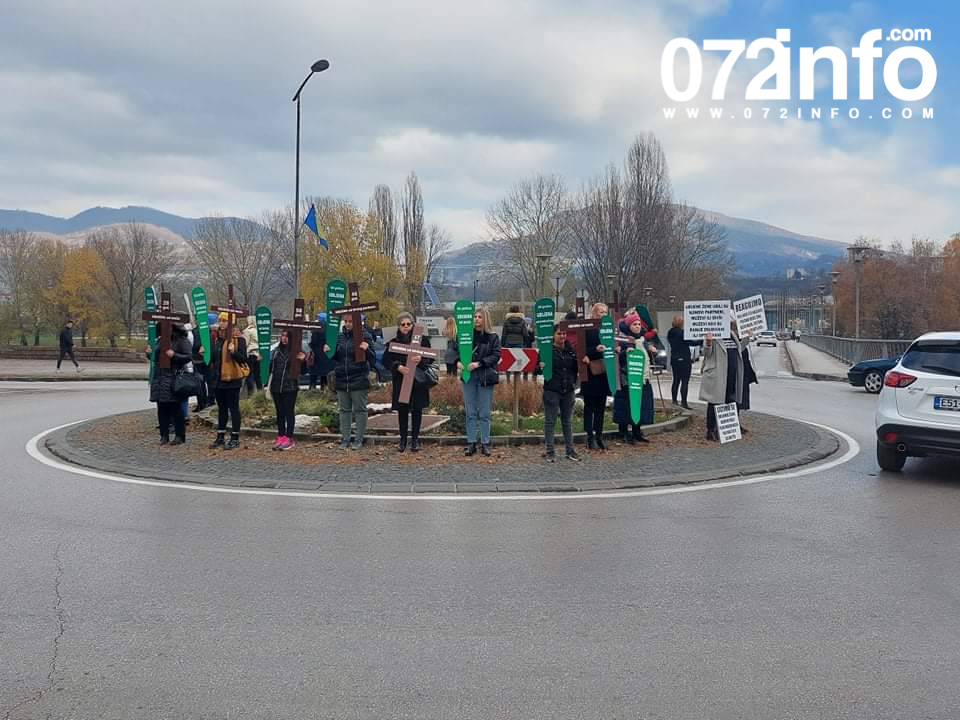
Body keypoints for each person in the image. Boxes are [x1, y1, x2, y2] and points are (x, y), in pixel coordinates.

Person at [385, 312, 435, 453]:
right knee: (402, 411)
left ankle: (415, 440)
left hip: (418, 381)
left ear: (413, 325)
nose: (406, 327)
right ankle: (403, 440)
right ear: (399, 326)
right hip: (401, 381)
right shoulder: (393, 342)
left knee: (417, 410)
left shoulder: (422, 340)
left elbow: (431, 356)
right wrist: (398, 367)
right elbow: (386, 360)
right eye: (403, 324)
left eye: (408, 324)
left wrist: (421, 358)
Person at [326, 313, 376, 450]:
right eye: (346, 321)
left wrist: (368, 350)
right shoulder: (340, 337)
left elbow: (373, 360)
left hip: (358, 378)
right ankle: (345, 438)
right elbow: (337, 357)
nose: (348, 324)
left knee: (360, 410)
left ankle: (359, 439)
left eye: (350, 321)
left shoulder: (365, 336)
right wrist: (329, 352)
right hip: (342, 378)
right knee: (344, 410)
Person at [458, 307, 501, 457]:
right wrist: (458, 362)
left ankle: (485, 443)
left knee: (484, 412)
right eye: (475, 316)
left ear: (485, 319)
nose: (476, 319)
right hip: (468, 377)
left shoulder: (493, 337)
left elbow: (496, 355)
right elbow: (455, 352)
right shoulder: (465, 335)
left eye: (480, 317)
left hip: (485, 377)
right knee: (470, 412)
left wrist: (479, 363)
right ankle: (471, 443)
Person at [699, 321, 750, 441]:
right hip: (718, 374)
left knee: (730, 399)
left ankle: (727, 428)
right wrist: (709, 342)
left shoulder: (732, 335)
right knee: (714, 402)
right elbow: (706, 353)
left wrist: (747, 338)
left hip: (732, 374)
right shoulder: (713, 335)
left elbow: (739, 350)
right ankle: (710, 430)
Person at [613, 312, 656, 444]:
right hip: (628, 378)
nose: (637, 327)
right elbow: (618, 357)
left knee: (640, 405)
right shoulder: (623, 339)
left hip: (642, 378)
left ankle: (637, 432)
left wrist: (652, 352)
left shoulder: (643, 340)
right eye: (634, 324)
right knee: (627, 405)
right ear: (629, 326)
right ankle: (625, 432)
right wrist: (625, 353)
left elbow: (646, 358)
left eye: (638, 324)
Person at [208, 312, 248, 449]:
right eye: (220, 320)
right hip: (219, 380)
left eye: (224, 321)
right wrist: (206, 354)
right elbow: (214, 359)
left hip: (233, 380)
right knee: (222, 409)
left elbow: (243, 359)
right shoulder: (218, 339)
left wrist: (233, 352)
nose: (221, 323)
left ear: (231, 323)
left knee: (234, 408)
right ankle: (220, 436)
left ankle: (235, 437)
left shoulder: (238, 339)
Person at [541, 323, 580, 462]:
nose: (562, 336)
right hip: (552, 389)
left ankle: (570, 450)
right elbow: (536, 370)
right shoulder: (547, 350)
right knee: (550, 421)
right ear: (553, 335)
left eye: (564, 333)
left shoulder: (571, 349)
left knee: (567, 421)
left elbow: (576, 367)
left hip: (568, 389)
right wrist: (540, 366)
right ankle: (550, 451)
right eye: (559, 334)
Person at [148, 323, 192, 445]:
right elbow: (156, 358)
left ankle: (179, 435)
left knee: (175, 408)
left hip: (174, 377)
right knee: (161, 408)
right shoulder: (160, 340)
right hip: (160, 377)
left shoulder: (181, 340)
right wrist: (150, 354)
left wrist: (174, 355)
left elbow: (188, 356)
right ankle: (164, 435)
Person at [269, 330, 306, 451]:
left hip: (290, 386)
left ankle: (289, 437)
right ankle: (281, 435)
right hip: (276, 386)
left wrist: (303, 361)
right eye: (282, 336)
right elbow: (270, 369)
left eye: (287, 336)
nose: (284, 338)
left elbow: (304, 371)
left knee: (288, 412)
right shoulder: (275, 351)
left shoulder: (296, 352)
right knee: (279, 413)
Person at [580, 303, 610, 451]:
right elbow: (580, 348)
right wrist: (594, 350)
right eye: (600, 312)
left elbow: (613, 345)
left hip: (604, 373)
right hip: (591, 372)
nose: (603, 315)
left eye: (605, 312)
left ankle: (599, 435)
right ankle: (589, 436)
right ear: (593, 314)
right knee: (590, 407)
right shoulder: (587, 329)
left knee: (601, 407)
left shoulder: (608, 330)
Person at [667, 315, 701, 410]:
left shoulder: (670, 333)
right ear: (681, 323)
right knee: (685, 381)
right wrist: (702, 341)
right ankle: (684, 402)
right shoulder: (682, 333)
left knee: (676, 380)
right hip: (684, 359)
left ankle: (674, 400)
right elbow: (692, 342)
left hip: (674, 359)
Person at [190, 323, 210, 412]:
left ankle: (201, 403)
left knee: (200, 383)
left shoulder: (195, 331)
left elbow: (194, 346)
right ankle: (209, 402)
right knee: (209, 382)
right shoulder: (209, 331)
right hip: (207, 359)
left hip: (197, 360)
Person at [243, 315, 262, 396]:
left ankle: (250, 394)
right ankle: (260, 392)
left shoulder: (247, 331)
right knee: (258, 375)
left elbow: (245, 343)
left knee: (249, 374)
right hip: (258, 355)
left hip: (250, 354)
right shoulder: (259, 331)